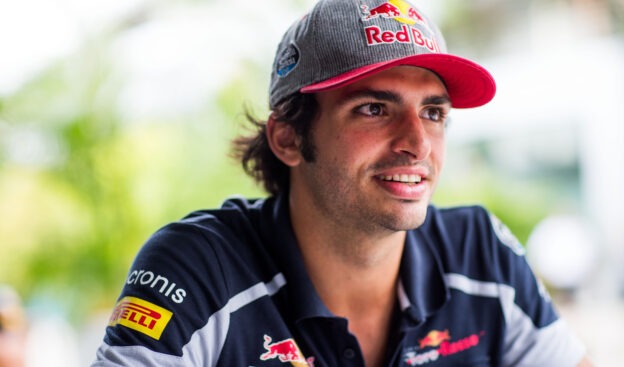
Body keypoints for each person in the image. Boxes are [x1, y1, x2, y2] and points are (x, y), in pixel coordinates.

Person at [93, 0, 592, 366]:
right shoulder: (201, 267)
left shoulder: (479, 251)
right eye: (374, 109)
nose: (417, 144)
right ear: (288, 138)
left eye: (433, 112)